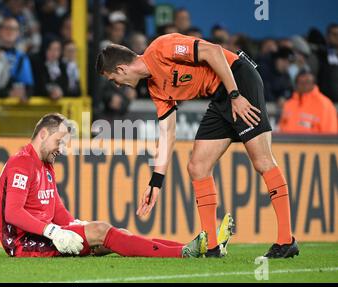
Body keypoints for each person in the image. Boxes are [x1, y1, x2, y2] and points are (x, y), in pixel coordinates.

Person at [96, 33, 300, 259]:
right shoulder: (155, 88)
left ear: (122, 69)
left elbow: (213, 51)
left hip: (238, 81)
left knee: (262, 161)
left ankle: (285, 241)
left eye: (113, 79)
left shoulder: (161, 48)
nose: (116, 85)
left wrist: (235, 95)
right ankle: (212, 247)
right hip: (220, 97)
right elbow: (167, 133)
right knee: (197, 167)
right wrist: (156, 182)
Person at [0, 113, 233, 258]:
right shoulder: (22, 163)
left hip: (47, 235)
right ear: (43, 134)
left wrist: (74, 225)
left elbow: (56, 208)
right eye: (59, 141)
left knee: (120, 235)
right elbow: (13, 213)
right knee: (102, 231)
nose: (61, 148)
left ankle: (196, 246)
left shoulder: (45, 164)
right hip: (24, 242)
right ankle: (184, 252)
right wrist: (53, 232)